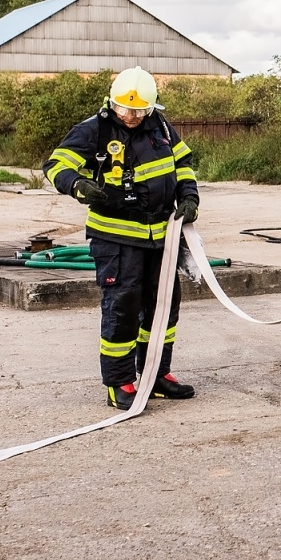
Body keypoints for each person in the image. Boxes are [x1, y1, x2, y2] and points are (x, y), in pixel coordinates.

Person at [44, 67, 200, 409]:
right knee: (122, 309)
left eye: (139, 110)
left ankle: (156, 374)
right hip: (116, 240)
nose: (131, 116)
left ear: (152, 107)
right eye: (124, 109)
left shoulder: (161, 127)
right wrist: (78, 185)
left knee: (163, 309)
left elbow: (184, 165)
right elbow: (56, 165)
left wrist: (189, 198)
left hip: (161, 237)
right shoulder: (94, 130)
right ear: (111, 102)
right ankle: (120, 383)